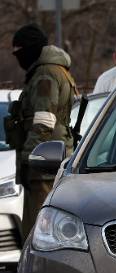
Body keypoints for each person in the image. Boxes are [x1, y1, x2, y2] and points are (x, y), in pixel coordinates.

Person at [6, 25, 76, 242]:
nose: (18, 57)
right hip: (51, 157)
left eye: (19, 51)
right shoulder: (55, 70)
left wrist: (29, 158)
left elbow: (43, 121)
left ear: (31, 49)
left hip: (44, 163)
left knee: (39, 230)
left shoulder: (45, 74)